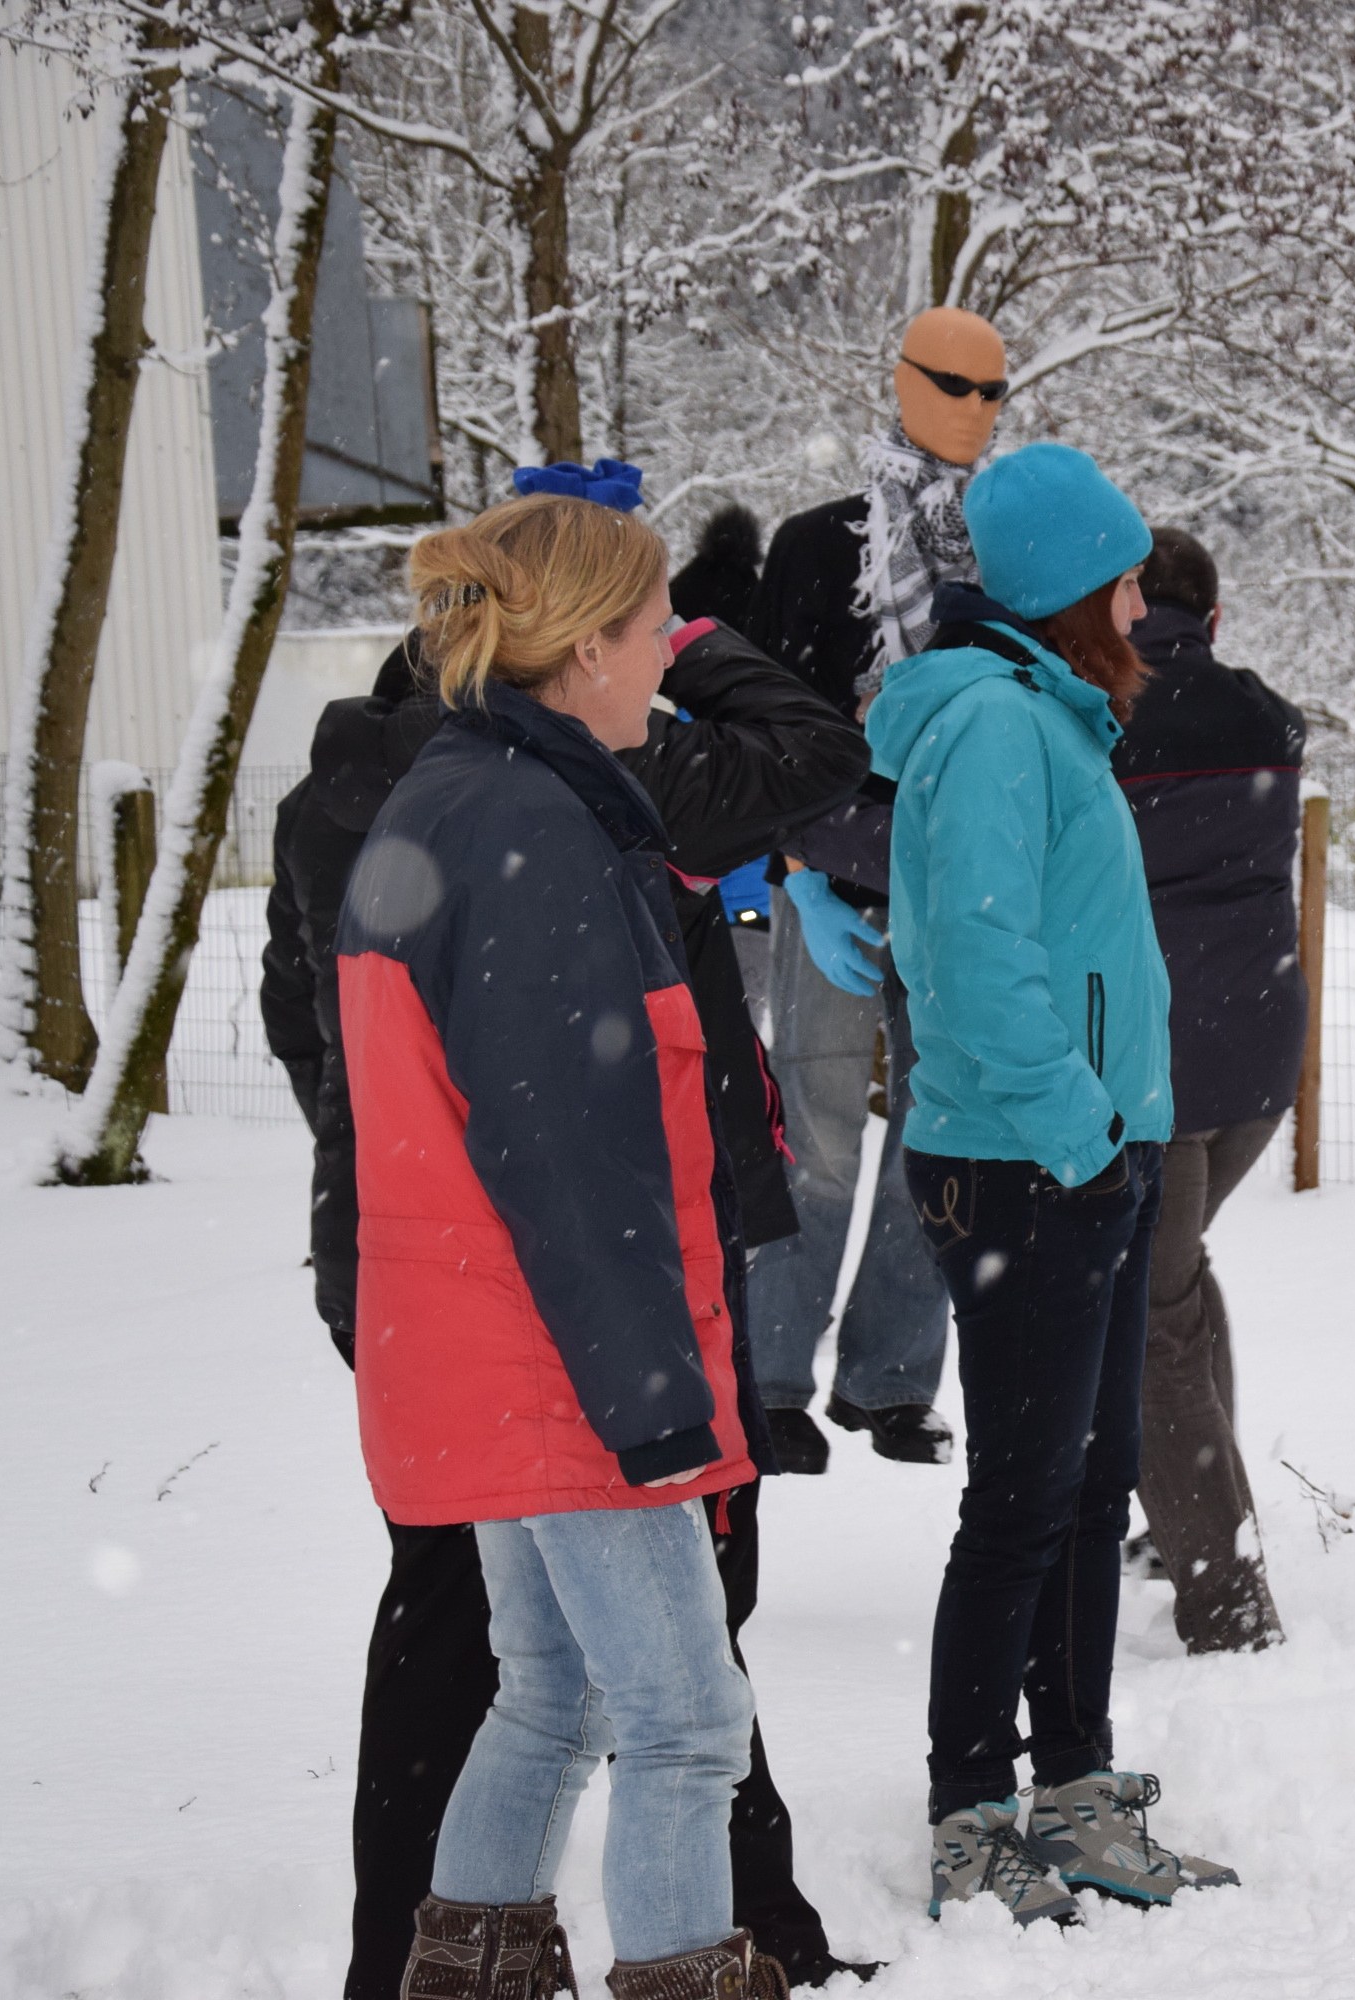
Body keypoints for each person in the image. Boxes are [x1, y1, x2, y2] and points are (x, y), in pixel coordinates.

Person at [264, 465, 871, 1996]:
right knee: (684, 1718)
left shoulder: (462, 793)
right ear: (587, 644)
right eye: (657, 625)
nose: (668, 652)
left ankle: (464, 1975)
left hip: (474, 1338)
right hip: (556, 1362)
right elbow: (570, 1160)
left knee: (549, 1698)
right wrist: (654, 1406)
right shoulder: (530, 831)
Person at [873, 442, 1237, 1924]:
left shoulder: (1048, 718)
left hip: (1088, 1153)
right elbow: (976, 962)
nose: (1145, 605)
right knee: (1022, 1499)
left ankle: (1075, 1790)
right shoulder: (993, 727)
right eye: (1128, 579)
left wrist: (1110, 1133)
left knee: (1089, 1484)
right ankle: (971, 1813)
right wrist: (1080, 1131)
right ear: (1072, 587)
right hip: (1025, 1164)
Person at [737, 309, 1011, 1472]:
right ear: (900, 382)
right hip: (836, 876)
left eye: (996, 391)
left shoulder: (1011, 548)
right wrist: (799, 874)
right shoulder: (818, 548)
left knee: (937, 1137)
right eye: (953, 384)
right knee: (816, 1132)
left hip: (964, 890)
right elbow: (770, 721)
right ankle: (769, 1377)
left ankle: (892, 1377)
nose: (976, 410)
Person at [1112, 525, 1299, 1653]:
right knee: (1174, 1280)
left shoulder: (1105, 716)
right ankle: (1191, 1515)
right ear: (1215, 617)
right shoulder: (1267, 717)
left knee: (1151, 1316)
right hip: (1261, 1062)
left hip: (1159, 1066)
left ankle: (1224, 1596)